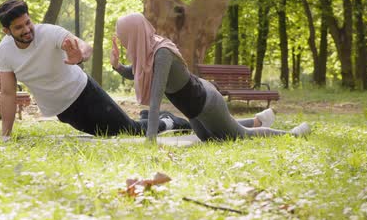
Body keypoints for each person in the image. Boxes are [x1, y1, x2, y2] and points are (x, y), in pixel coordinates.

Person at [0, 0, 190, 140]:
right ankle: (148, 117)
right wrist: (5, 136)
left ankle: (169, 121)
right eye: (19, 27)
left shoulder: (49, 33)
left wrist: (80, 55)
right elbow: (7, 93)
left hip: (86, 93)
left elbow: (84, 47)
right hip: (64, 111)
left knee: (127, 131)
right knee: (107, 134)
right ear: (7, 31)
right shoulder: (5, 52)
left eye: (28, 22)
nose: (27, 29)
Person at [110, 12, 311, 142]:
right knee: (211, 138)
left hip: (206, 102)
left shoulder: (161, 53)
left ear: (134, 34)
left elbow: (155, 100)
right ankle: (258, 120)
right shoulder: (147, 50)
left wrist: (150, 139)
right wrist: (118, 66)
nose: (124, 42)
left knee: (239, 136)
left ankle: (293, 134)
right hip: (193, 110)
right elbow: (136, 71)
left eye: (124, 37)